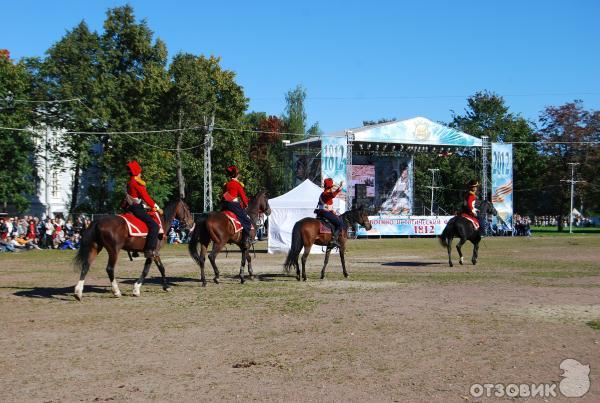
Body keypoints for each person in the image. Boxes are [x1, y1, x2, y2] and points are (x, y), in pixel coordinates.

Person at [124, 160, 163, 258]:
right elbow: (146, 197)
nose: (141, 174)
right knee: (154, 226)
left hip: (130, 207)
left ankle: (136, 249)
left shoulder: (129, 182)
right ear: (137, 172)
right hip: (136, 208)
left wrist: (146, 206)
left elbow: (136, 198)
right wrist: (157, 208)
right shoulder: (136, 183)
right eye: (140, 172)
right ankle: (149, 250)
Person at [221, 165, 253, 247]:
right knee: (246, 221)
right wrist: (246, 205)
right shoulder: (237, 185)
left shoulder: (226, 184)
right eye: (238, 175)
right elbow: (243, 197)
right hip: (233, 205)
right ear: (236, 175)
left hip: (225, 205)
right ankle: (246, 240)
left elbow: (222, 195)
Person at [316, 178, 344, 248]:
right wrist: (339, 188)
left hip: (323, 212)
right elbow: (333, 195)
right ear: (330, 187)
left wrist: (332, 211)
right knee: (340, 223)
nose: (332, 189)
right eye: (331, 187)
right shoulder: (326, 193)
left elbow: (327, 205)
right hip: (325, 212)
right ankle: (334, 239)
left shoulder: (324, 193)